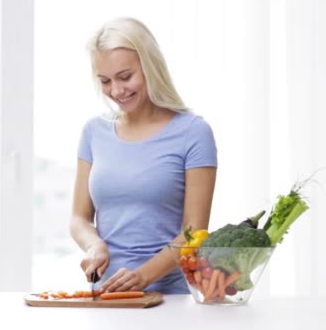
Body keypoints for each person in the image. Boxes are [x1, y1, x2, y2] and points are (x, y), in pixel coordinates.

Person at [69, 17, 217, 294]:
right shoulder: (93, 132)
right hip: (108, 295)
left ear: (151, 66)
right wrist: (94, 245)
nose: (116, 90)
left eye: (125, 77)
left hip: (171, 298)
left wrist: (142, 277)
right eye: (105, 81)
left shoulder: (194, 132)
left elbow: (194, 231)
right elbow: (79, 218)